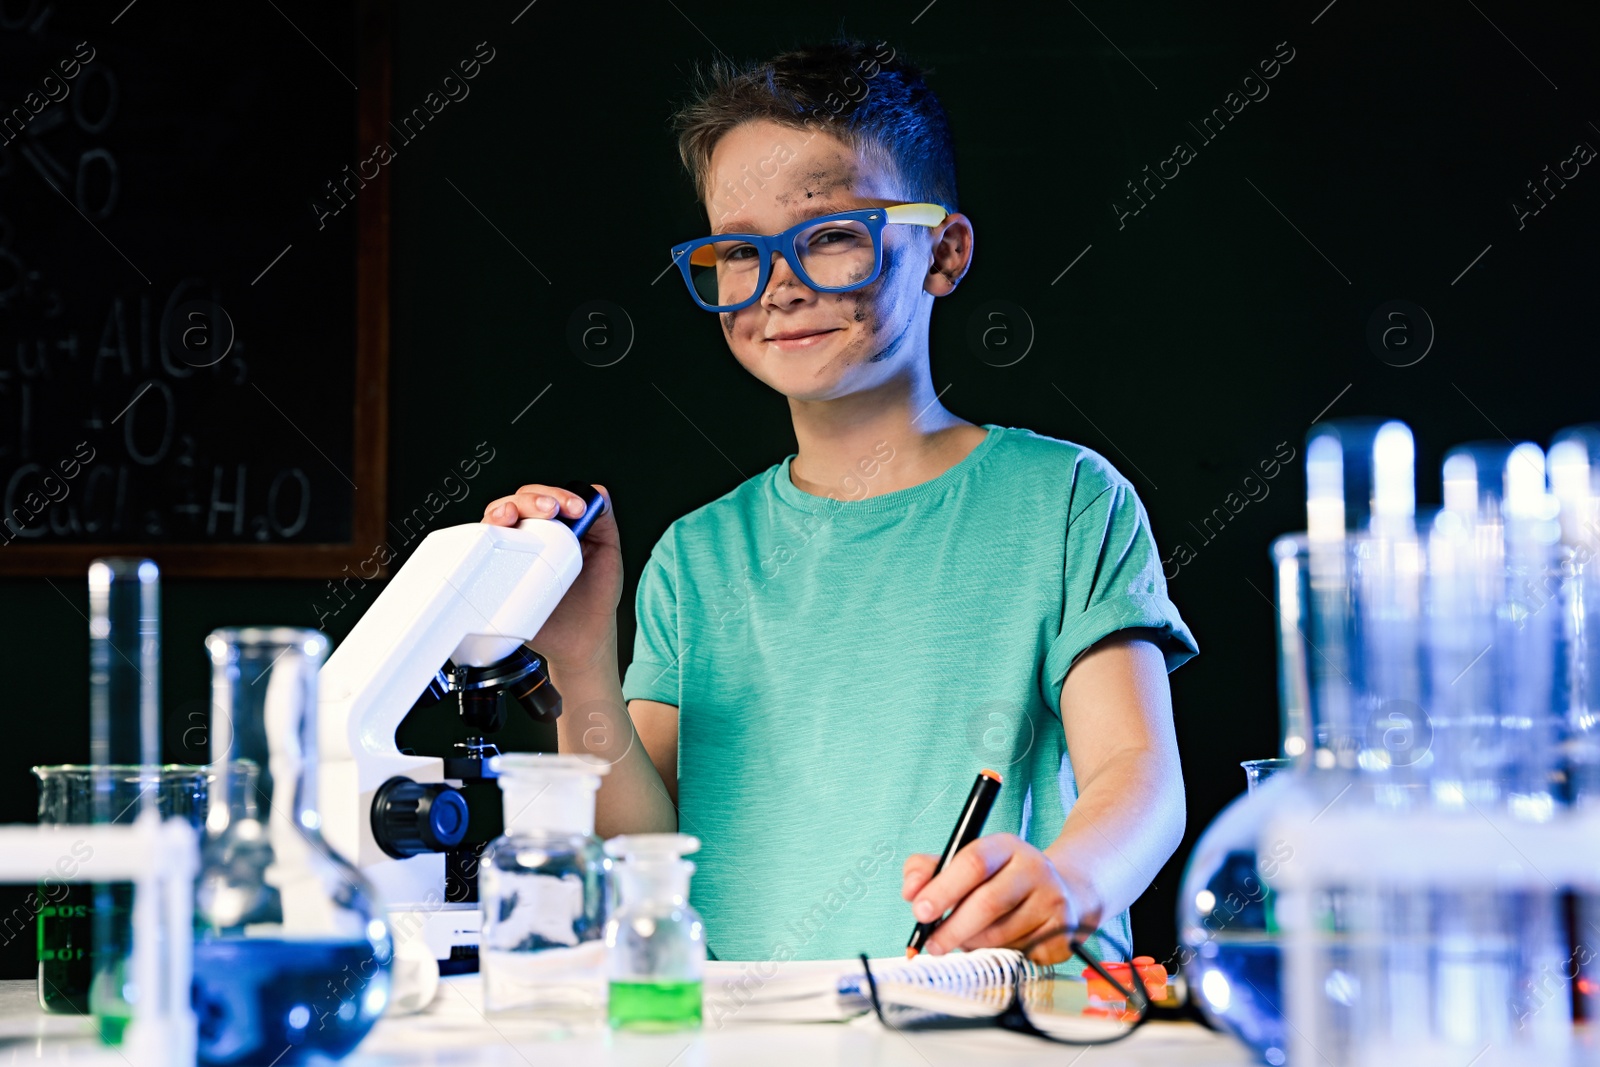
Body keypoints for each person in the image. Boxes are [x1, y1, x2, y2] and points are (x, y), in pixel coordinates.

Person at [482, 38, 1198, 966]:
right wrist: (579, 658)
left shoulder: (1063, 499)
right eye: (739, 250)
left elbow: (1139, 773)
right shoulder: (698, 556)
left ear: (942, 252)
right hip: (745, 1033)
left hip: (985, 1022)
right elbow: (639, 853)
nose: (779, 283)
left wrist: (1071, 880)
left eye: (829, 235)